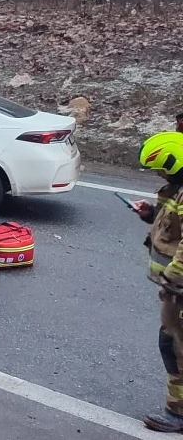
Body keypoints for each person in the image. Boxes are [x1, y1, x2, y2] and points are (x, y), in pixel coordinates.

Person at [128, 132, 183, 432]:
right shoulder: (177, 190)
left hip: (179, 290)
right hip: (175, 289)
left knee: (175, 347)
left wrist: (172, 279)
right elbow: (171, 224)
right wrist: (150, 213)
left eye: (162, 169)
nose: (160, 175)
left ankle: (178, 413)